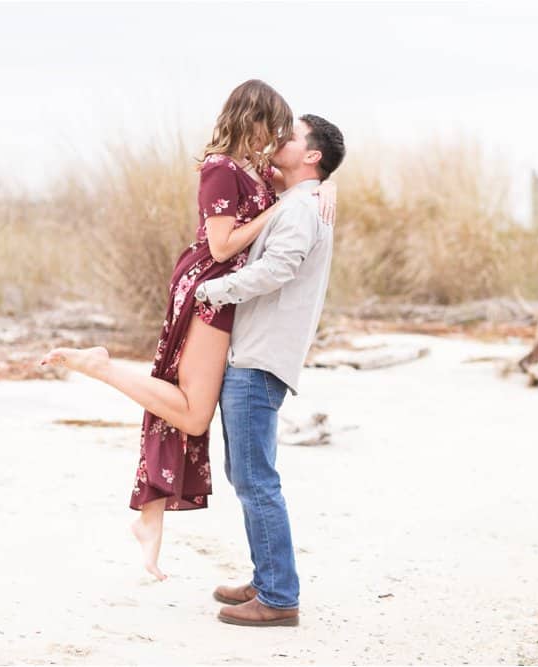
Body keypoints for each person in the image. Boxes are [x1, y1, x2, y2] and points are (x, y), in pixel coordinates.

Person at [39, 80, 337, 582]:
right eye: (276, 126)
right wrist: (276, 210)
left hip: (225, 293)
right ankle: (102, 367)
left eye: (290, 133)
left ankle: (150, 512)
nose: (280, 136)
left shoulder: (257, 170)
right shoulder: (220, 169)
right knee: (194, 414)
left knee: (190, 411)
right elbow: (221, 248)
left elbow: (312, 176)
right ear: (255, 119)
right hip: (209, 286)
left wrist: (326, 184)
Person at [198, 114, 345, 627]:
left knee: (256, 478)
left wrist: (215, 290)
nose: (280, 139)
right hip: (259, 355)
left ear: (312, 156)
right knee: (248, 473)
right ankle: (268, 578)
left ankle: (280, 597)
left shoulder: (303, 208)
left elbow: (279, 268)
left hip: (260, 359)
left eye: (292, 136)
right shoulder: (303, 200)